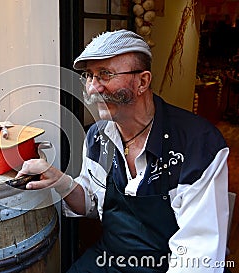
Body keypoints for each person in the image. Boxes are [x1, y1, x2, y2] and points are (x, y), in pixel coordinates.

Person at [17, 29, 230, 272]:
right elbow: (92, 204)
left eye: (105, 74)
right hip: (111, 260)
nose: (92, 88)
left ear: (142, 81)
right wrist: (61, 181)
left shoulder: (198, 144)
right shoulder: (97, 137)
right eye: (89, 76)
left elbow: (199, 253)